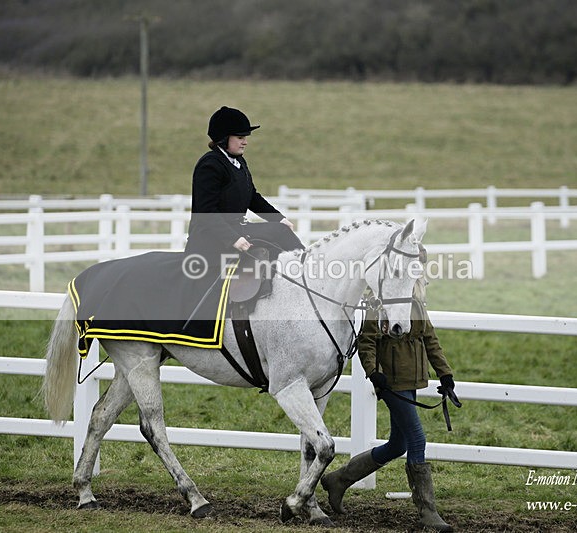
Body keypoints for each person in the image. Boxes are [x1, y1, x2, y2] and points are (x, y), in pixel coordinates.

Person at [321, 272, 456, 533]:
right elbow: (367, 343)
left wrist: (445, 374)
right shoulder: (378, 304)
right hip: (391, 384)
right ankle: (427, 512)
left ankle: (338, 479)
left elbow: (431, 340)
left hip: (412, 381)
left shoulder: (416, 304)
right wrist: (374, 373)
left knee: (398, 444)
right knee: (417, 440)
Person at [185, 106, 303, 269]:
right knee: (279, 232)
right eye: (240, 137)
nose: (245, 142)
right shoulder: (210, 165)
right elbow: (206, 211)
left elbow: (252, 197)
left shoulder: (238, 161)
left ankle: (300, 270)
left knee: (280, 232)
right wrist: (232, 238)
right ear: (224, 139)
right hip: (211, 237)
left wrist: (278, 218)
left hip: (237, 229)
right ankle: (309, 267)